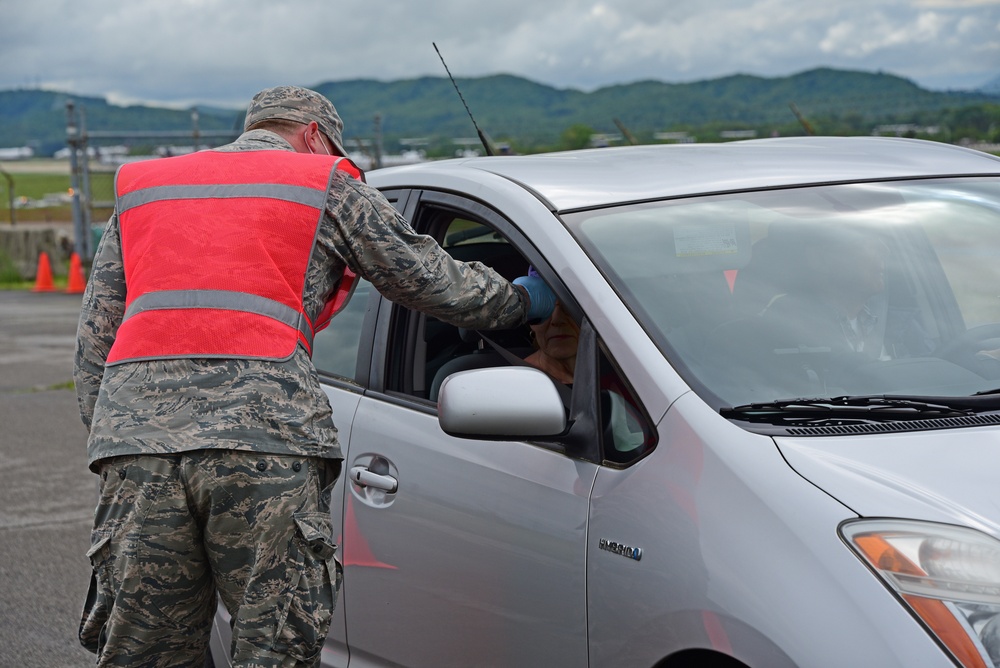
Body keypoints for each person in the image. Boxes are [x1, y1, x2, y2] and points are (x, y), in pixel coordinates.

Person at [73, 85, 555, 667]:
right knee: (273, 647)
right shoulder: (321, 180)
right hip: (266, 443)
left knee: (146, 652)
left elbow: (97, 336)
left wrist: (114, 440)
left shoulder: (143, 188)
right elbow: (426, 275)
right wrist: (521, 301)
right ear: (315, 136)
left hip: (137, 447)